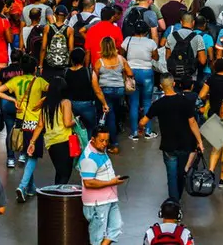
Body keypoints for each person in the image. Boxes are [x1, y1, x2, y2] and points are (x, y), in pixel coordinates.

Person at [142, 75, 204, 214]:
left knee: (171, 175)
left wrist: (141, 128)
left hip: (168, 145)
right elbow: (192, 122)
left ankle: (173, 203)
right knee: (181, 173)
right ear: (174, 83)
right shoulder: (185, 101)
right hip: (185, 144)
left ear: (161, 86)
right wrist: (199, 141)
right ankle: (178, 199)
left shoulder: (158, 104)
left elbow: (144, 121)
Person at [79, 127, 127, 245]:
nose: (105, 144)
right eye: (101, 140)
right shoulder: (88, 158)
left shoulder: (100, 150)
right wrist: (112, 182)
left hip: (109, 199)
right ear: (93, 139)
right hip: (97, 203)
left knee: (116, 226)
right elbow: (88, 182)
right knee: (97, 237)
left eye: (107, 140)